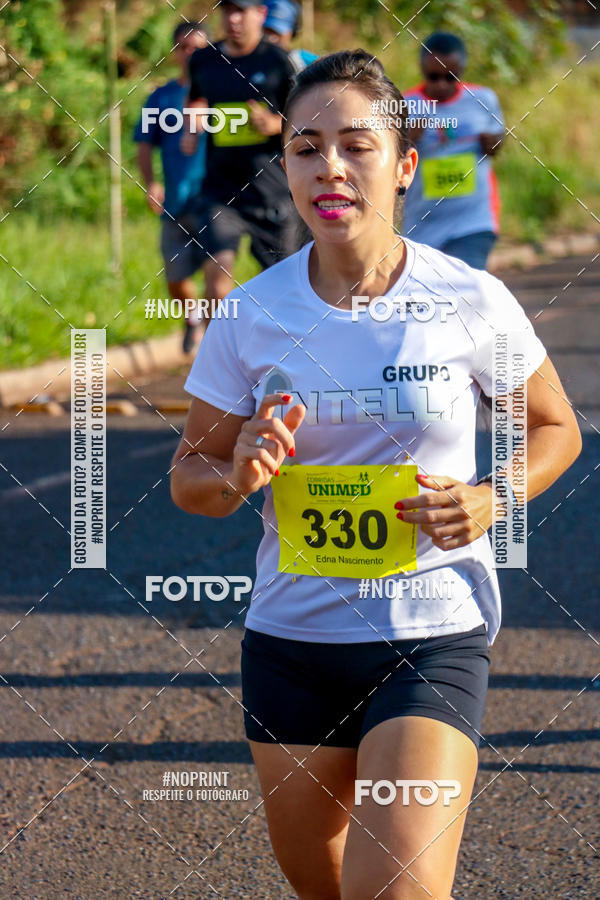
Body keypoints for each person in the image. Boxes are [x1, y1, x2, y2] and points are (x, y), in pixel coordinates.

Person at [171, 50, 581, 900]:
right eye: (306, 146)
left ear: (403, 167)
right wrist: (240, 471)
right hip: (290, 645)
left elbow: (555, 427)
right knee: (322, 885)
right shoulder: (250, 314)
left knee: (392, 887)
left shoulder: (468, 297)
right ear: (284, 165)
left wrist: (493, 495)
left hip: (432, 636)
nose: (329, 167)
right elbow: (191, 477)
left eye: (356, 145)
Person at [182, 0, 296, 310]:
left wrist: (275, 124)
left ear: (260, 14)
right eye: (227, 10)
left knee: (287, 290)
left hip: (271, 192)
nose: (233, 19)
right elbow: (196, 99)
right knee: (217, 283)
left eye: (241, 11)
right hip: (222, 193)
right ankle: (214, 357)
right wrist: (191, 127)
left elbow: (306, 120)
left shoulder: (279, 62)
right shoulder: (205, 60)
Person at [134, 21, 209, 354]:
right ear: (175, 52)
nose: (190, 53)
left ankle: (218, 343)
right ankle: (194, 320)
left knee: (217, 275)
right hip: (175, 201)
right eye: (184, 47)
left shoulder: (223, 93)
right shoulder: (161, 97)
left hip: (215, 201)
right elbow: (144, 145)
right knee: (176, 279)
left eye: (198, 47)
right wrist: (152, 182)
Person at [403, 32, 505, 270]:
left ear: (462, 70)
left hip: (473, 221)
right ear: (421, 69)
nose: (441, 84)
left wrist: (494, 143)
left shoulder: (483, 99)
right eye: (433, 76)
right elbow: (389, 161)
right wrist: (407, 141)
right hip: (422, 225)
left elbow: (498, 144)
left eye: (451, 77)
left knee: (464, 291)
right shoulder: (406, 105)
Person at [263, 0, 318, 73]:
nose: (271, 38)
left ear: (292, 32)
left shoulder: (306, 62)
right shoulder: (250, 60)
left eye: (278, 33)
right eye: (267, 31)